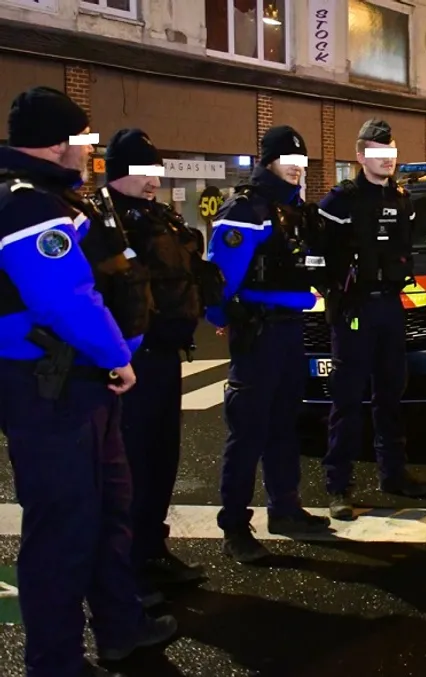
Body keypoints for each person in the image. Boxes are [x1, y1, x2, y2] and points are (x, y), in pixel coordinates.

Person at [0, 87, 176, 677]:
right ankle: (56, 663)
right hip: (53, 389)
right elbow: (63, 299)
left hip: (82, 384)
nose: (90, 147)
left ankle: (119, 628)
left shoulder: (58, 196)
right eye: (83, 137)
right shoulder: (26, 205)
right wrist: (116, 357)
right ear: (58, 141)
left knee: (108, 512)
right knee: (62, 530)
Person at [105, 128, 225, 597]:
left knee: (161, 459)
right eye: (143, 171)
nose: (154, 180)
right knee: (130, 466)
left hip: (166, 356)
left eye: (157, 170)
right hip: (130, 361)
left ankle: (152, 551)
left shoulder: (161, 219)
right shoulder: (106, 224)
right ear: (119, 173)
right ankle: (127, 568)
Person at [206, 124, 331, 563]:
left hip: (291, 328)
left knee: (283, 425)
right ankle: (235, 527)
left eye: (302, 162)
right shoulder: (246, 210)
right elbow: (218, 276)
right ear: (269, 161)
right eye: (289, 161)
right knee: (248, 430)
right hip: (258, 332)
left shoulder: (295, 211)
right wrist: (222, 318)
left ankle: (285, 508)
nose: (297, 170)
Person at [317, 119, 426, 519]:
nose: (387, 160)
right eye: (378, 153)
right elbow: (317, 256)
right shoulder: (339, 202)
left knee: (390, 395)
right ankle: (338, 486)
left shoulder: (402, 200)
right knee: (347, 400)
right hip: (354, 310)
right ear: (361, 155)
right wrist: (335, 291)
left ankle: (393, 473)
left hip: (389, 307)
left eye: (391, 153)